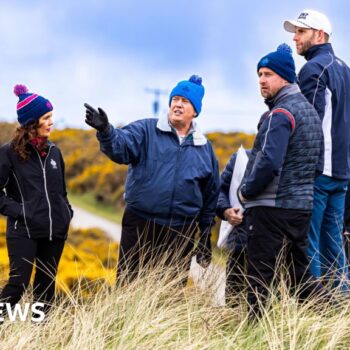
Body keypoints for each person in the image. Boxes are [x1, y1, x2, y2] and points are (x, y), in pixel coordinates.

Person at [84, 75, 220, 286]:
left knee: (170, 292)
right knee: (129, 285)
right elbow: (122, 146)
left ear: (195, 111)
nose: (178, 104)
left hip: (180, 231)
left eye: (185, 101)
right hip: (141, 224)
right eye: (175, 99)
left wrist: (204, 235)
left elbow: (210, 194)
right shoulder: (146, 130)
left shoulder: (204, 147)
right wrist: (106, 132)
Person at [238, 44, 328, 315]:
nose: (262, 80)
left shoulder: (280, 114)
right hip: (301, 208)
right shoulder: (310, 113)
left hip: (270, 209)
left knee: (259, 276)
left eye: (268, 74)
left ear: (285, 76)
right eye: (259, 75)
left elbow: (268, 162)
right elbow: (319, 165)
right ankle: (325, 320)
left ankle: (254, 332)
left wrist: (246, 191)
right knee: (299, 277)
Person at [284, 9, 350, 288]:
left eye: (301, 31)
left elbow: (307, 123)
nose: (295, 38)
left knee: (308, 243)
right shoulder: (345, 69)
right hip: (341, 172)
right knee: (333, 243)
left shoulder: (312, 69)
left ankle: (314, 308)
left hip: (318, 171)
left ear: (319, 34)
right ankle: (341, 305)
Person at [0, 85, 73, 319]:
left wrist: (66, 213)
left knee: (45, 290)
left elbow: (61, 192)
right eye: (47, 117)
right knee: (18, 286)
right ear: (32, 122)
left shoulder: (55, 152)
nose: (52, 122)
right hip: (24, 230)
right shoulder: (8, 153)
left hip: (54, 232)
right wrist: (22, 211)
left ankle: (39, 336)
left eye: (51, 116)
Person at [217, 149, 251, 306]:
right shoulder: (241, 158)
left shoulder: (288, 160)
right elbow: (219, 190)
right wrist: (225, 210)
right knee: (233, 301)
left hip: (273, 245)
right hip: (239, 242)